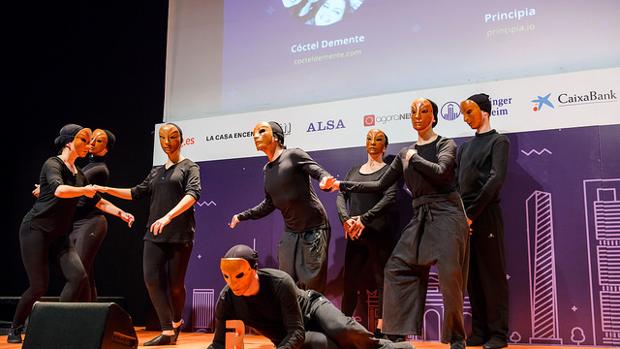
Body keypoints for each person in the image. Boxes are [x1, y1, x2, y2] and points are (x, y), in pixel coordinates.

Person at [322, 99, 470, 349]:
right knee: (396, 267)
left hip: (447, 211)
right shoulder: (404, 154)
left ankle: (457, 339)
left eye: (424, 111)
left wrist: (414, 158)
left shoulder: (444, 144)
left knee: (449, 277)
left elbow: (442, 171)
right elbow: (380, 184)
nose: (418, 116)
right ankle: (396, 333)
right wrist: (341, 185)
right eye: (413, 112)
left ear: (433, 117)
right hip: (421, 212)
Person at [8, 124, 134, 344]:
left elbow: (98, 201)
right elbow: (59, 190)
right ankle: (15, 328)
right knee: (38, 286)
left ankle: (57, 325)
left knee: (78, 277)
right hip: (35, 230)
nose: (88, 144)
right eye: (83, 140)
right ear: (68, 142)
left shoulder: (79, 174)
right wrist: (84, 190)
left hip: (59, 235)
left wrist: (121, 213)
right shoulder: (53, 164)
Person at [95, 123, 201, 346]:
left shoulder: (190, 167)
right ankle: (167, 331)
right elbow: (135, 192)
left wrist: (168, 217)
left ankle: (176, 321)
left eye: (173, 137)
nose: (167, 142)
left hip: (179, 234)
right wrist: (106, 190)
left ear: (181, 140)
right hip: (154, 233)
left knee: (175, 286)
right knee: (152, 280)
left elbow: (192, 195)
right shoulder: (156, 171)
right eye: (163, 138)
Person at [208, 244, 414, 349]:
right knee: (323, 345)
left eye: (239, 275)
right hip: (289, 334)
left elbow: (297, 330)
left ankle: (390, 348)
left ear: (254, 269)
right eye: (226, 276)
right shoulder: (227, 299)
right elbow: (218, 344)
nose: (232, 282)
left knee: (343, 330)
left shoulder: (279, 282)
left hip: (311, 310)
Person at [229, 121, 333, 293]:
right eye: (254, 133)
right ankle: (293, 320)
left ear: (276, 137)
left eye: (262, 131)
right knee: (287, 282)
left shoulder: (293, 155)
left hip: (314, 229)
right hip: (291, 232)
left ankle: (312, 320)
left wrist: (325, 179)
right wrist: (241, 216)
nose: (256, 136)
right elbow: (269, 203)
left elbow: (318, 171)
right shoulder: (267, 169)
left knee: (311, 284)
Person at [457, 94, 509, 349]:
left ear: (485, 112)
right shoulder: (464, 148)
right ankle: (478, 331)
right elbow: (456, 185)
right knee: (473, 278)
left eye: (469, 112)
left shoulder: (499, 142)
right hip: (464, 219)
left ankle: (498, 335)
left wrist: (471, 214)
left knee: (492, 276)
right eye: (464, 114)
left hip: (485, 216)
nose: (466, 118)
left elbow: (495, 181)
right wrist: (460, 216)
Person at [335, 129, 398, 336]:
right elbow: (341, 196)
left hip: (379, 233)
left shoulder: (389, 171)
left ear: (385, 146)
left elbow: (389, 198)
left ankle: (381, 328)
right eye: (369, 138)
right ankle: (343, 325)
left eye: (378, 139)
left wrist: (364, 219)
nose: (373, 142)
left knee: (382, 280)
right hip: (355, 234)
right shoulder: (353, 171)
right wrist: (346, 220)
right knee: (350, 280)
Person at [69, 128, 117, 301]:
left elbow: (75, 189)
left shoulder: (99, 169)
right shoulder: (87, 166)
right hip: (77, 222)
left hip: (91, 222)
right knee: (86, 273)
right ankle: (90, 317)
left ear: (106, 149)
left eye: (99, 141)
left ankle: (77, 317)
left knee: (79, 272)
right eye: (92, 137)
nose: (92, 141)